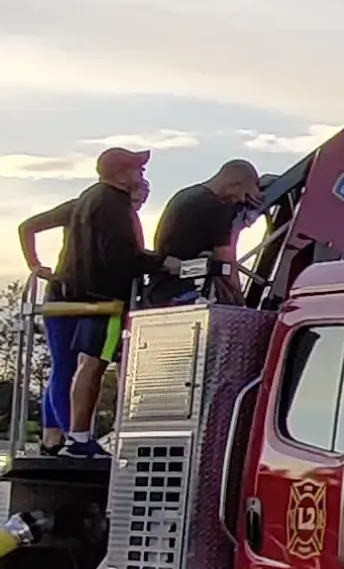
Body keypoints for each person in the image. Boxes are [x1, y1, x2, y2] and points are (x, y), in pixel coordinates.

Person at [17, 145, 149, 441]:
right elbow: (28, 226)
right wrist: (35, 265)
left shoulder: (95, 206)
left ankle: (54, 435)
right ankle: (66, 436)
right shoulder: (96, 207)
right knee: (70, 365)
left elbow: (28, 227)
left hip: (73, 292)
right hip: (76, 294)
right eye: (139, 193)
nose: (139, 202)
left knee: (68, 366)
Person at [150, 157, 268, 297]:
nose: (241, 201)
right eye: (243, 195)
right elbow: (226, 262)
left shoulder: (185, 196)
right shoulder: (215, 208)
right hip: (185, 291)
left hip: (160, 288)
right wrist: (238, 300)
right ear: (234, 184)